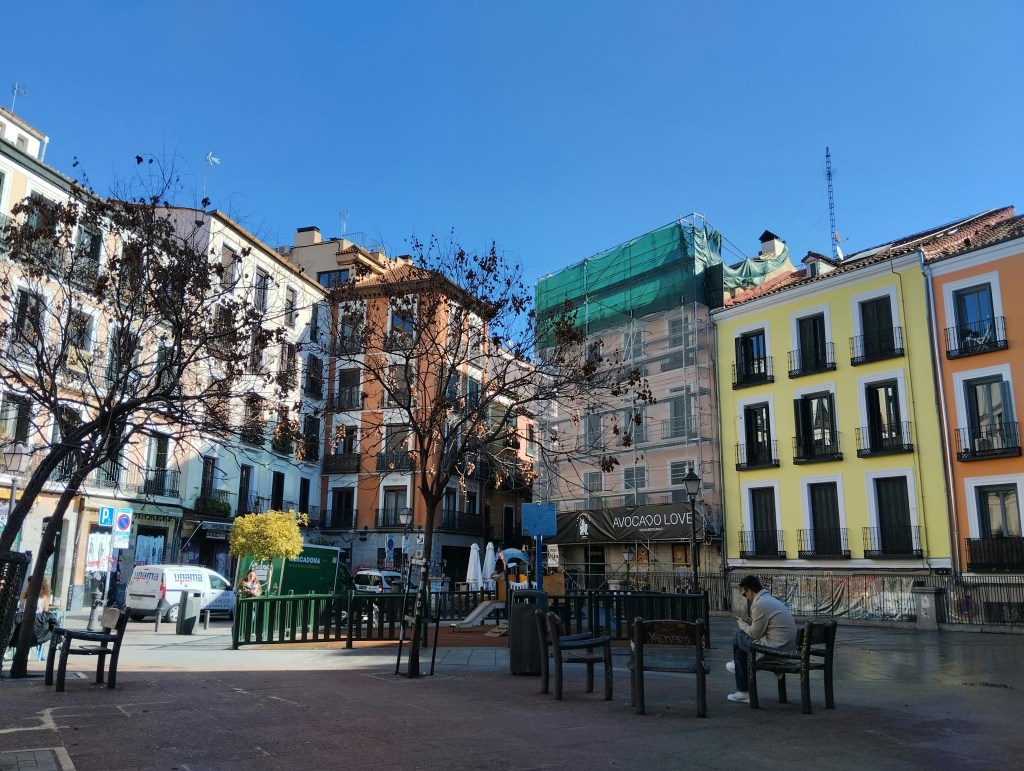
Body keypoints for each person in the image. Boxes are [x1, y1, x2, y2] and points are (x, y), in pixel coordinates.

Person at [726, 574, 797, 703]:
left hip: (776, 650)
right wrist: (752, 622)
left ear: (749, 591)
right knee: (742, 643)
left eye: (744, 594)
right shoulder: (770, 600)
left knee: (738, 635)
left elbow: (755, 634)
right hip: (787, 647)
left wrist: (741, 623)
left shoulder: (760, 604)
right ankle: (739, 674)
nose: (746, 597)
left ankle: (743, 689)